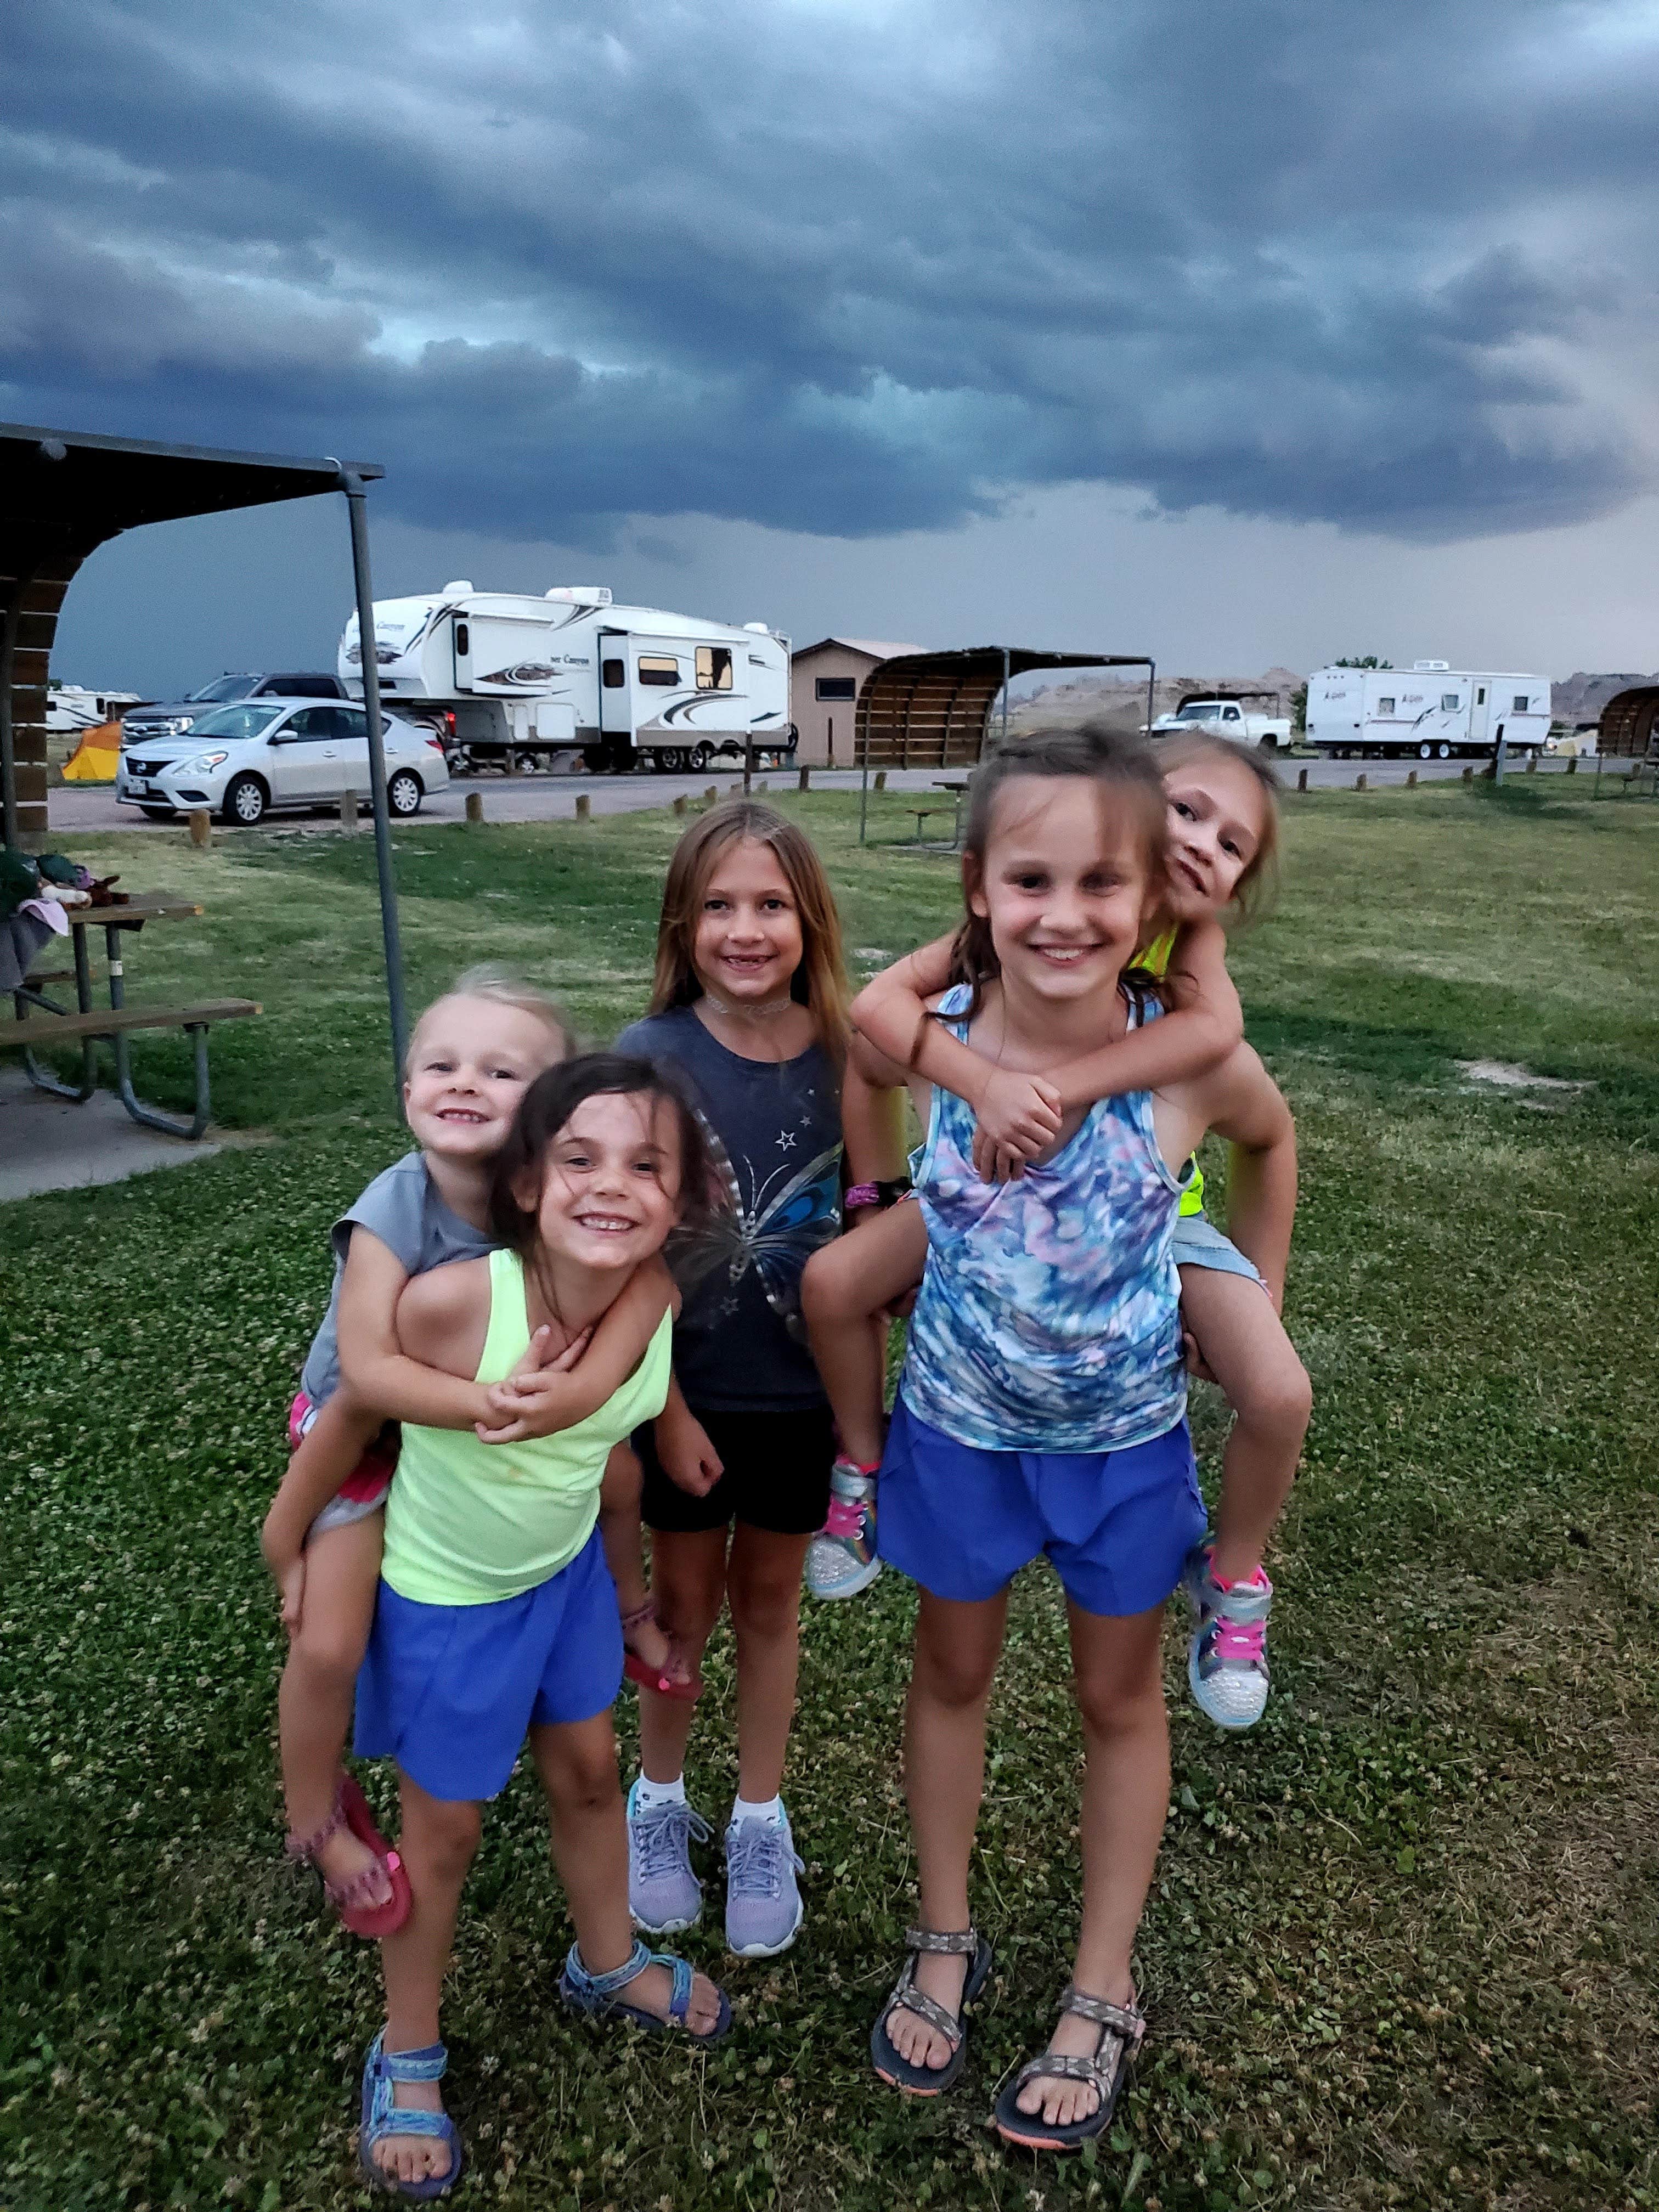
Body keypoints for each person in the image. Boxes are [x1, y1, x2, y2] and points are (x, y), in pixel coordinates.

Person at [829, 726, 1300, 2147]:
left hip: (1124, 1449)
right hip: (962, 1436)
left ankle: (1102, 1986)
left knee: (1118, 1703)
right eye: (1031, 879)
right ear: (979, 886)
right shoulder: (939, 1032)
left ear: (1158, 892)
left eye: (1107, 881)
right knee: (953, 1674)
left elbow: (1270, 1141)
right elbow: (867, 1046)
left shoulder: (1188, 1063)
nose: (1067, 914)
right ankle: (946, 1935)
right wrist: (875, 1204)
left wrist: (1255, 1306)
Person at [804, 730, 1310, 1731]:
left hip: (1156, 1216)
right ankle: (861, 1469)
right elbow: (874, 1012)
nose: (1204, 844)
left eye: (1234, 844)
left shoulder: (1190, 946)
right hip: (985, 1192)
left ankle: (1236, 1582)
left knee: (1282, 1391)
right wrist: (933, 1139)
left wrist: (1257, 1285)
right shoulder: (1005, 933)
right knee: (830, 1286)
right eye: (1188, 809)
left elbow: (1217, 1047)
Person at [354, 1055, 731, 2196]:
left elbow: (613, 1430)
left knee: (586, 1776)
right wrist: (290, 1535)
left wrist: (629, 1593)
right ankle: (406, 2047)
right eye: (580, 1160)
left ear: (679, 1201)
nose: (611, 1186)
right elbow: (354, 1400)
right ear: (526, 1183)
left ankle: (606, 1963)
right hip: (451, 1599)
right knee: (446, 1835)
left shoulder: (650, 1292)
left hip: (565, 1580)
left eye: (645, 1166)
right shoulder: (460, 1301)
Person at [261, 973, 682, 1942]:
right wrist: (493, 1403)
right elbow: (367, 1378)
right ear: (406, 1089)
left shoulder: (554, 1192)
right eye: (440, 1065)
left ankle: (626, 1610)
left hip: (479, 1435)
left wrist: (577, 1397)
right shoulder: (394, 1208)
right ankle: (313, 1818)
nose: (464, 1084)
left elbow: (648, 1277)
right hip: (360, 1434)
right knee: (330, 1637)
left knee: (618, 1477)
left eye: (501, 1071)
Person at [614, 800, 851, 1957]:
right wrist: (663, 1409)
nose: (745, 930)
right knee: (683, 1610)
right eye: (719, 905)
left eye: (771, 905)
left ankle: (760, 1815)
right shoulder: (647, 1058)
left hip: (805, 1400)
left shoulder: (856, 1057)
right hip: (684, 1402)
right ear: (682, 920)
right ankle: (656, 1804)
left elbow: (880, 1212)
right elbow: (612, 1251)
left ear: (810, 922)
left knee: (770, 1606)